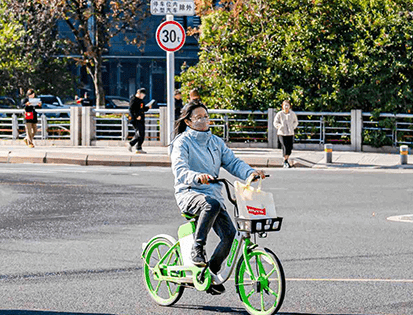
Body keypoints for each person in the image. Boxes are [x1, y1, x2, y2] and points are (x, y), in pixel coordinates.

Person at [170, 101, 264, 294]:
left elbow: (233, 162)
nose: (204, 120)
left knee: (230, 236)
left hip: (212, 195)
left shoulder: (216, 142)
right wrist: (197, 177)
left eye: (206, 116)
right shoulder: (182, 142)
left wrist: (250, 173)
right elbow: (180, 170)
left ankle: (209, 273)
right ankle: (197, 248)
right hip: (189, 192)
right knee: (210, 205)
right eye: (199, 117)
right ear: (188, 122)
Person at [273, 100, 299, 168]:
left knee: (289, 148)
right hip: (282, 133)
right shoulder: (279, 114)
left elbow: (296, 122)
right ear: (282, 106)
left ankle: (286, 159)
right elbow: (275, 122)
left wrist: (293, 127)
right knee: (285, 146)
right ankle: (285, 161)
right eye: (285, 105)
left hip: (290, 133)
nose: (286, 107)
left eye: (288, 105)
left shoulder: (292, 114)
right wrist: (280, 126)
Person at [128, 88, 150, 153]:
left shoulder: (141, 101)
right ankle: (132, 144)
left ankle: (138, 148)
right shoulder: (133, 100)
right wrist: (136, 116)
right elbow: (131, 110)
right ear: (139, 93)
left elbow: (142, 109)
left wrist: (148, 107)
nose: (143, 96)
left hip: (141, 119)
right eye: (143, 95)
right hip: (135, 120)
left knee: (142, 134)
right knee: (139, 133)